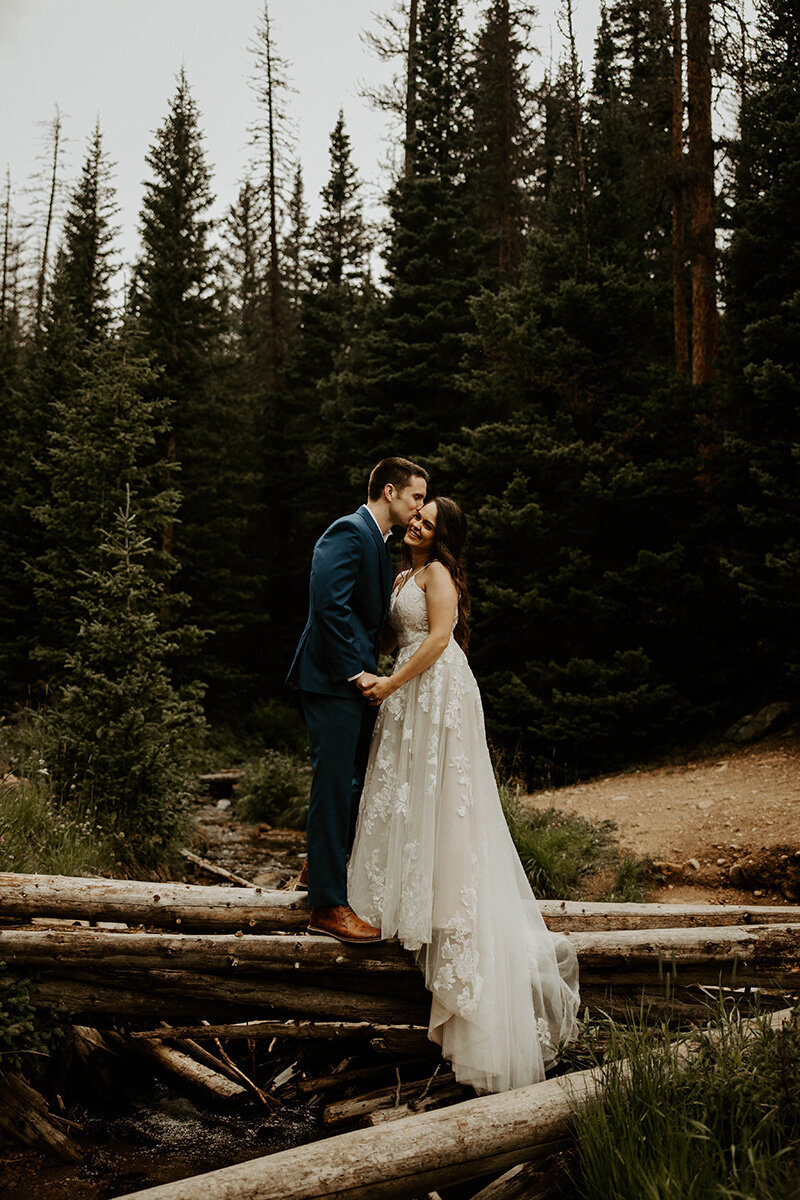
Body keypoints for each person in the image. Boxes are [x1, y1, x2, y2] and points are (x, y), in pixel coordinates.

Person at [347, 497, 580, 1091]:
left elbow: (441, 637)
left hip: (434, 689)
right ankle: (395, 899)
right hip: (409, 690)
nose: (416, 527)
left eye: (427, 523)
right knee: (402, 799)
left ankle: (445, 915)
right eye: (415, 519)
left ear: (442, 535)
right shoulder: (402, 572)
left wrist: (393, 683)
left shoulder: (438, 574)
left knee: (440, 800)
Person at [288, 457, 429, 943]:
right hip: (332, 679)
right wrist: (355, 671)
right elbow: (328, 604)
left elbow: (365, 616)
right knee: (333, 783)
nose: (418, 509)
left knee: (357, 780)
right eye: (415, 497)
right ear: (390, 491)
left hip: (352, 679)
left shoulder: (379, 542)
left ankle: (317, 868)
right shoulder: (348, 531)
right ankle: (326, 905)